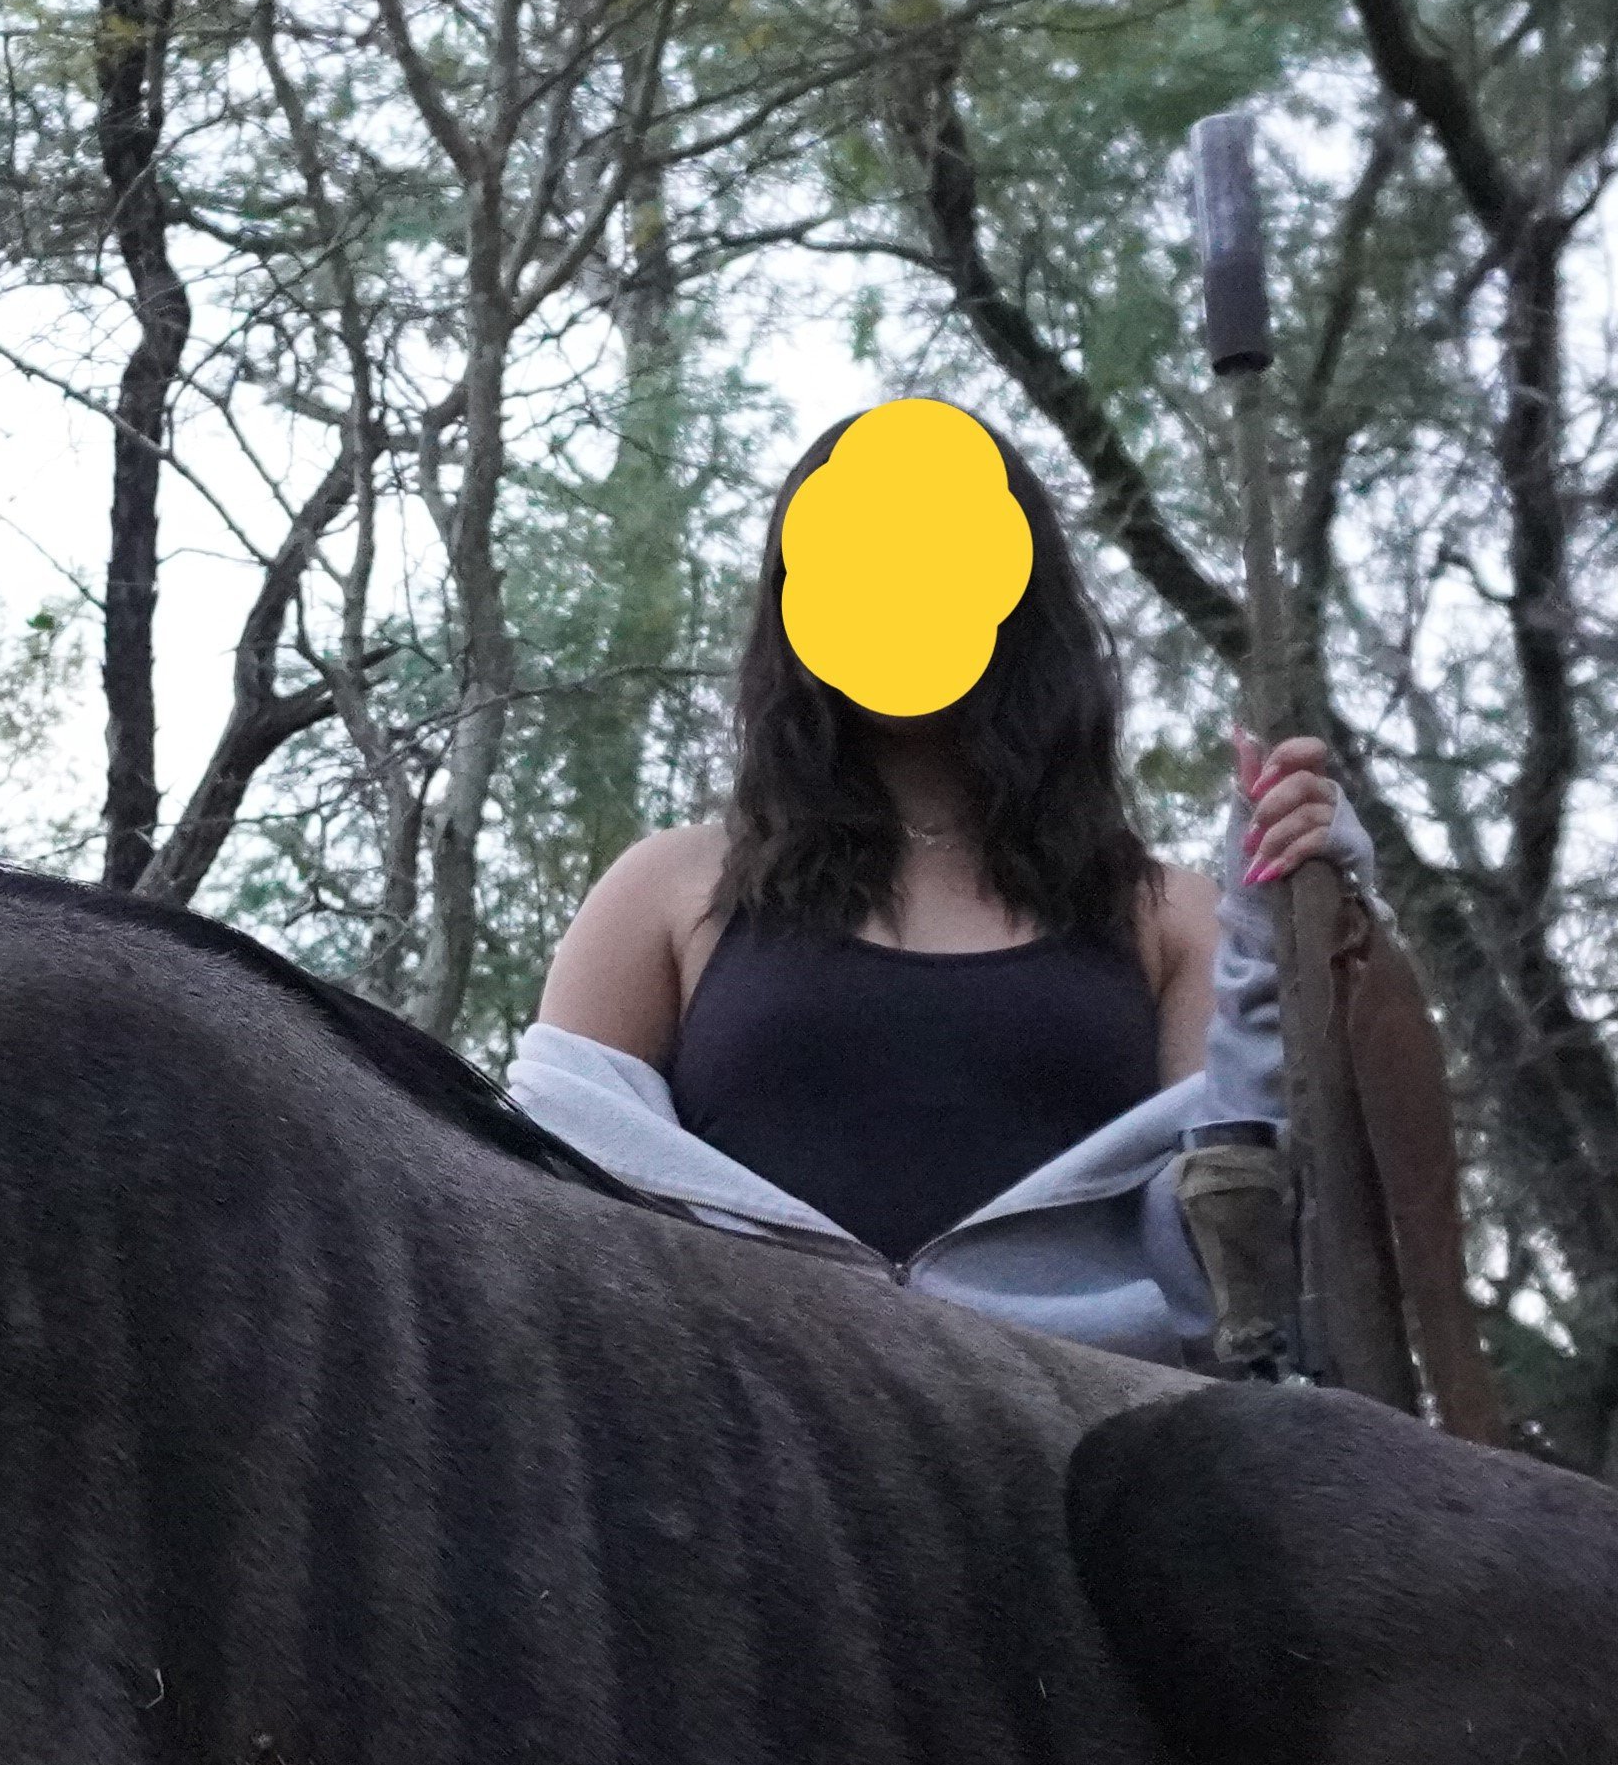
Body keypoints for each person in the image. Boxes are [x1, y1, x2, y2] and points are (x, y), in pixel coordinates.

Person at [510, 397, 1360, 1373]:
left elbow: (1252, 1223)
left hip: (1088, 1460)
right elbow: (548, 1200)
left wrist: (1309, 903)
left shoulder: (1174, 917)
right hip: (743, 1455)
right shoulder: (669, 888)